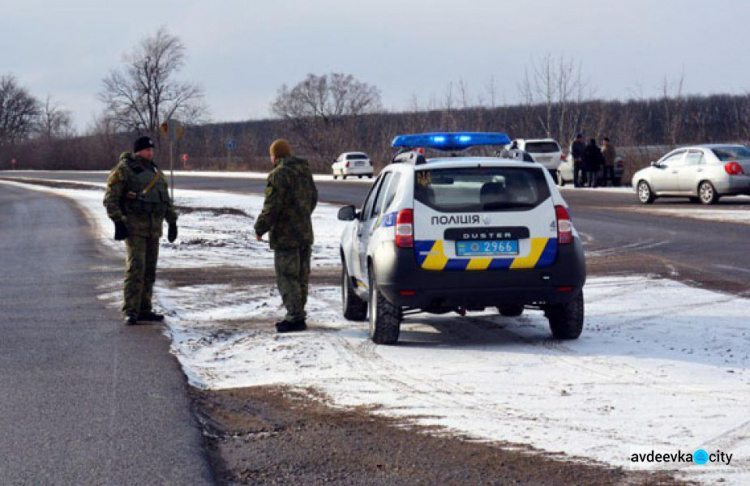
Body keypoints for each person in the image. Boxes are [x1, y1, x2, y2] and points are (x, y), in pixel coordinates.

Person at [104, 136, 178, 325]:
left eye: (152, 150)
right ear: (138, 151)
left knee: (149, 270)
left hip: (153, 228)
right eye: (147, 150)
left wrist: (172, 222)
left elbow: (165, 200)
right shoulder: (125, 170)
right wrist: (119, 222)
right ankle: (131, 309)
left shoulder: (155, 171)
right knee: (136, 267)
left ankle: (145, 308)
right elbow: (110, 199)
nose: (150, 153)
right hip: (134, 227)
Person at [254, 139, 318, 333]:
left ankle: (295, 317)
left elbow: (272, 207)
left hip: (286, 236)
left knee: (287, 276)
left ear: (276, 156)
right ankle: (298, 313)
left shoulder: (279, 175)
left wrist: (260, 228)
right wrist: (302, 216)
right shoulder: (304, 172)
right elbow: (313, 199)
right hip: (304, 233)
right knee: (301, 276)